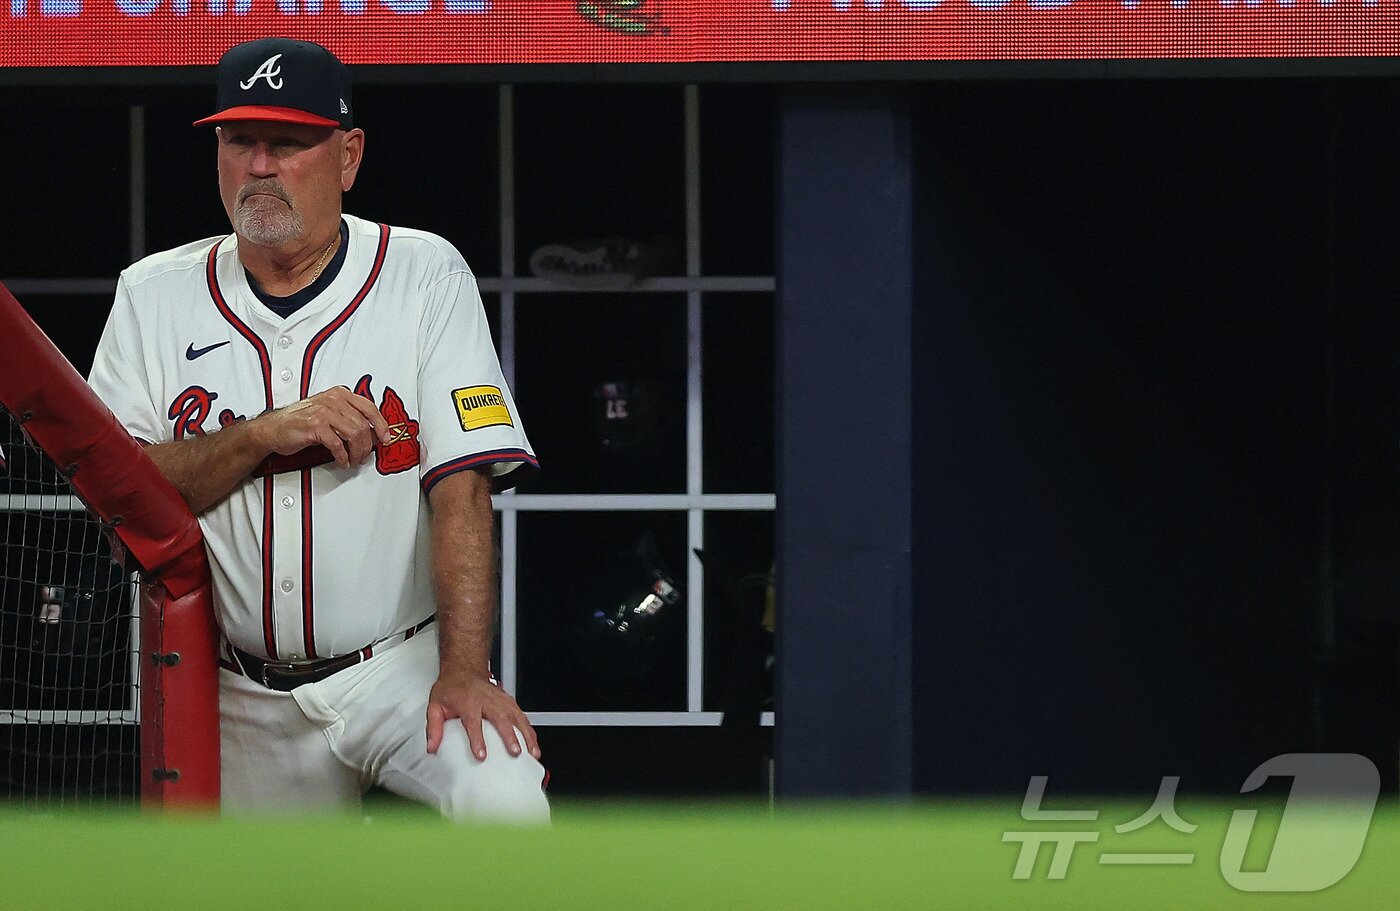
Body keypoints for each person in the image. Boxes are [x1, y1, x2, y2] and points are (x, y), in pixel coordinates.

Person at [88, 37, 549, 822]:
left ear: (347, 156)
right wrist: (263, 433)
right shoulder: (152, 294)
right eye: (240, 141)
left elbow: (462, 482)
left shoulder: (422, 273)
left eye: (289, 142)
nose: (259, 165)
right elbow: (115, 491)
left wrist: (465, 668)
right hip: (235, 690)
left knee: (502, 798)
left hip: (395, 665)